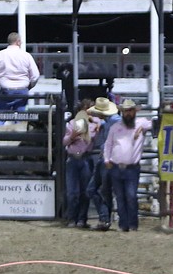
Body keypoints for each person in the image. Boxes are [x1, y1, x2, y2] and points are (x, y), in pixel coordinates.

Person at [103, 98, 152, 232]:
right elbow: (108, 144)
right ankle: (123, 224)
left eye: (130, 110)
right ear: (122, 112)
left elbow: (153, 123)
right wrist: (107, 159)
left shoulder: (140, 123)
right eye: (126, 111)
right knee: (120, 197)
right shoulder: (115, 127)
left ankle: (132, 224)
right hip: (116, 166)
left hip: (131, 168)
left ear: (135, 111)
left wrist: (142, 127)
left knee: (130, 196)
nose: (128, 113)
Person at [0, 32, 41, 124]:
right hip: (22, 90)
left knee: (0, 118)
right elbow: (35, 75)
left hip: (5, 90)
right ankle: (19, 137)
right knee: (20, 119)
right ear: (18, 42)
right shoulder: (26, 55)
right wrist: (29, 86)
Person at [85, 96, 118, 231]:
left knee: (101, 189)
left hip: (109, 159)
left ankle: (105, 219)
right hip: (104, 157)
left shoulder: (116, 122)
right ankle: (105, 218)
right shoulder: (108, 121)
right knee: (95, 189)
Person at [62, 99, 95, 227]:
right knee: (72, 192)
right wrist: (72, 136)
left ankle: (81, 218)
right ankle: (72, 218)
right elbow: (64, 142)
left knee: (84, 191)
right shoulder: (71, 124)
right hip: (73, 158)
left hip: (85, 158)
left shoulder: (94, 124)